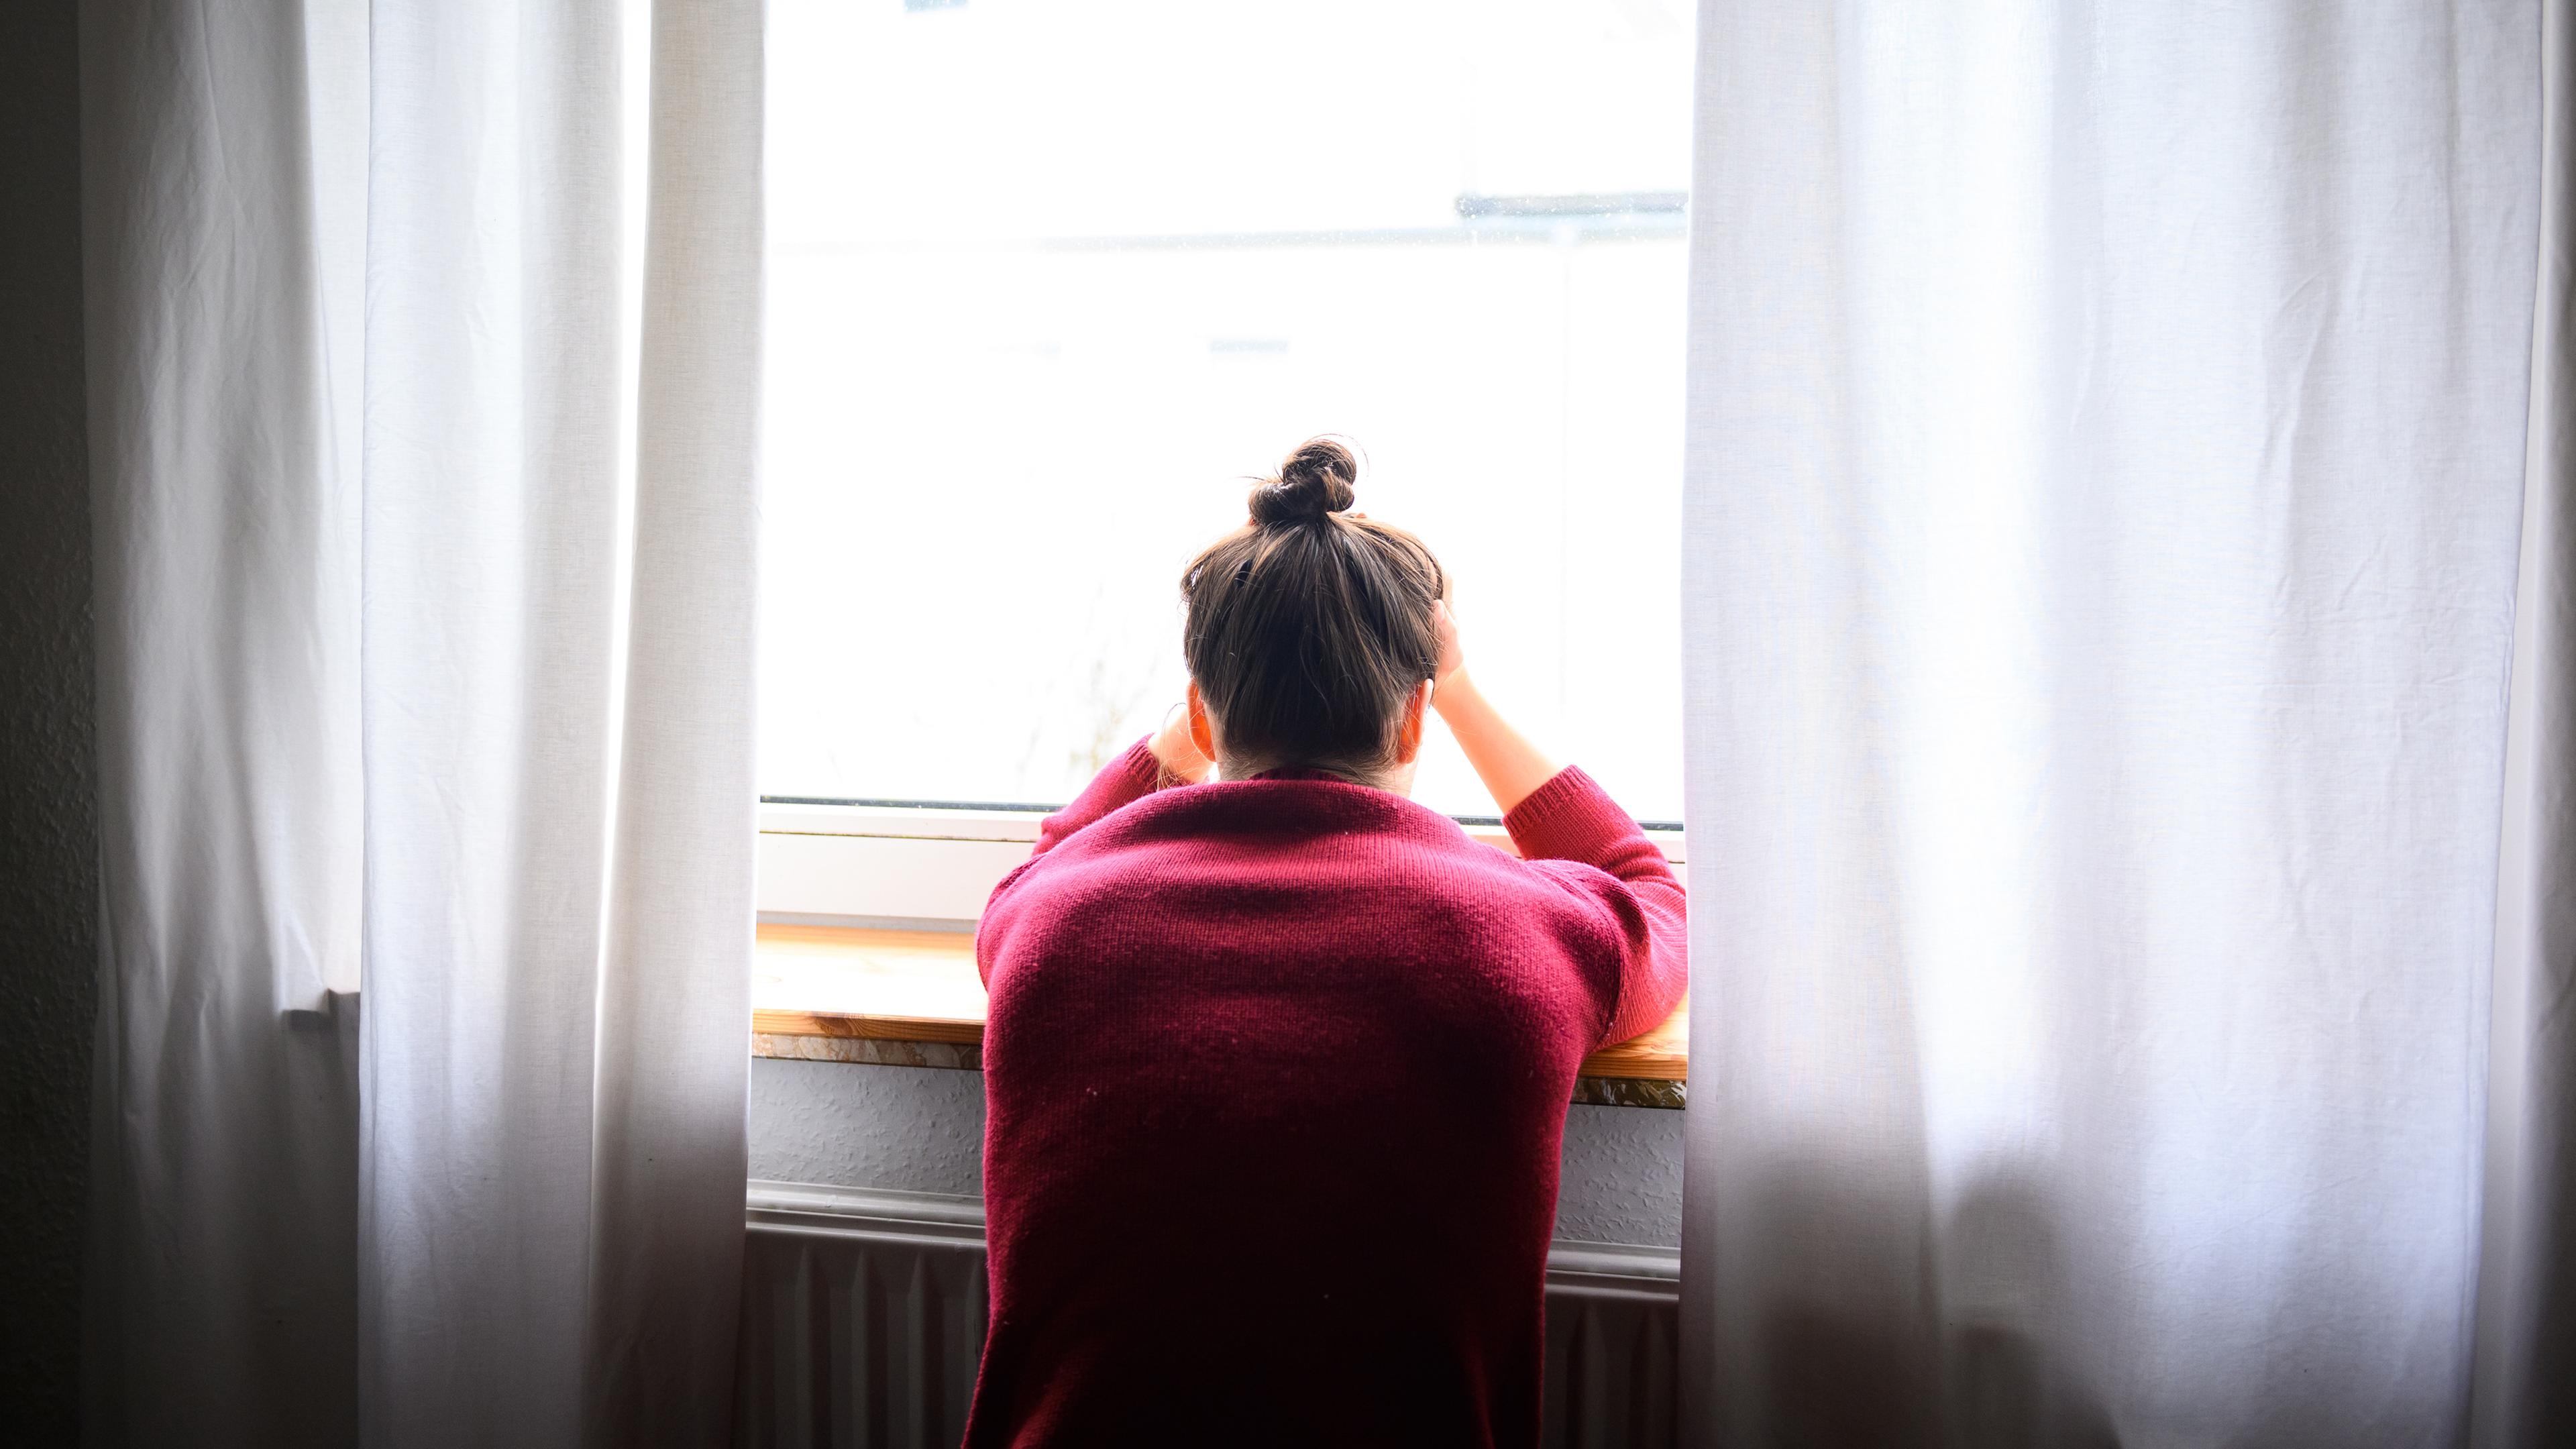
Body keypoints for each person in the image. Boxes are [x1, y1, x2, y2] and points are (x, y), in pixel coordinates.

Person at [961, 438, 1688, 1447]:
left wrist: (1197, 714)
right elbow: (1651, 889)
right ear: (1411, 728)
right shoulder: (1529, 936)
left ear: (1204, 722)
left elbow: (1049, 855)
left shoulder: (1053, 918)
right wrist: (1461, 689)